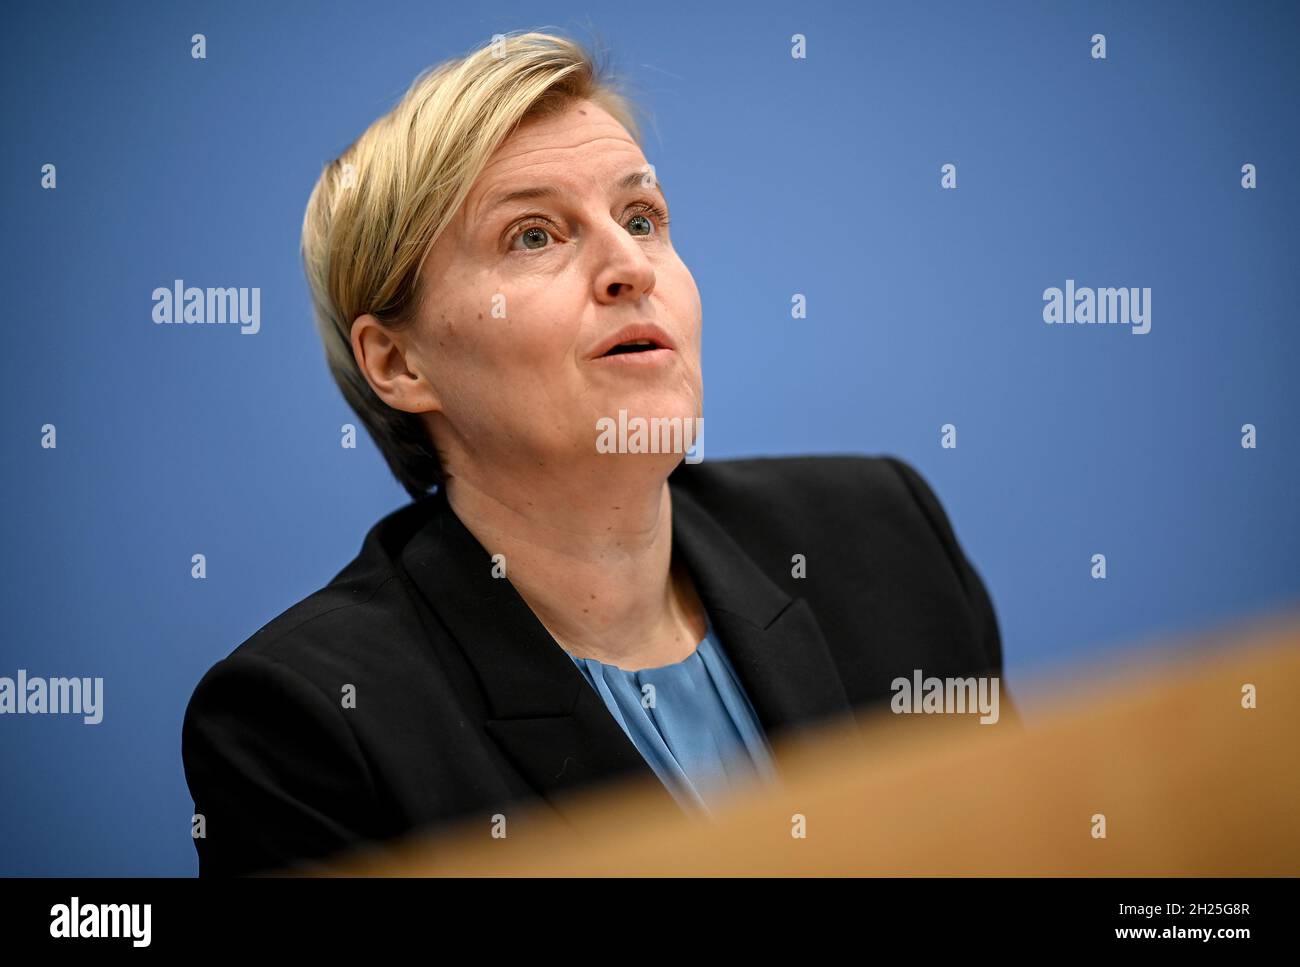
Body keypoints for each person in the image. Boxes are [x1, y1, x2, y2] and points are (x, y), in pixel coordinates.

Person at [181, 30, 1009, 877]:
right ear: (400, 362)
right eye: (534, 235)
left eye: (642, 218)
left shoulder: (885, 541)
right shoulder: (306, 724)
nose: (627, 266)